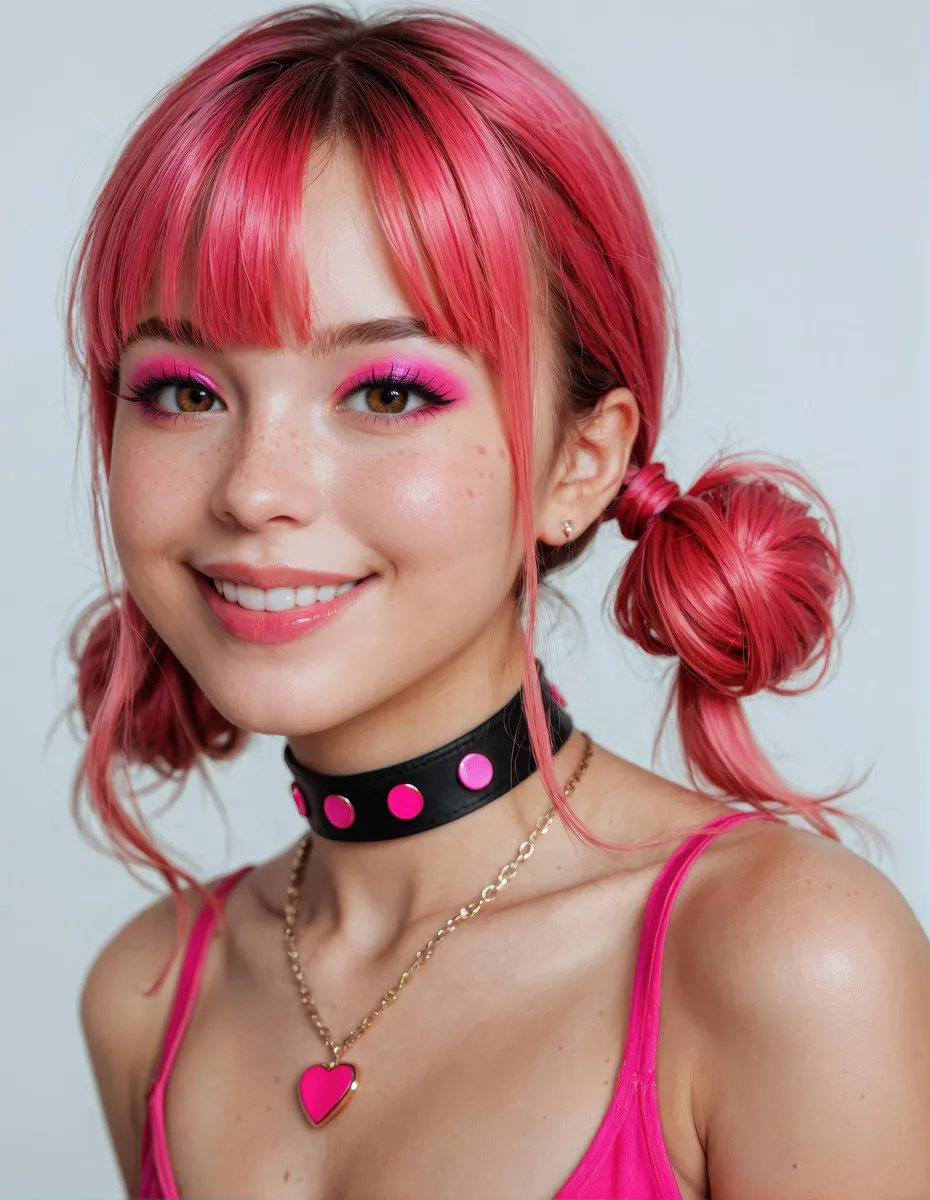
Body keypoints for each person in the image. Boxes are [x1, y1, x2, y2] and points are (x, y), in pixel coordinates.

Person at [68, 6, 929, 1198]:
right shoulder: (146, 1000)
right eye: (180, 389)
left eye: (383, 390)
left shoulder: (779, 958)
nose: (256, 488)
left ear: (581, 462)